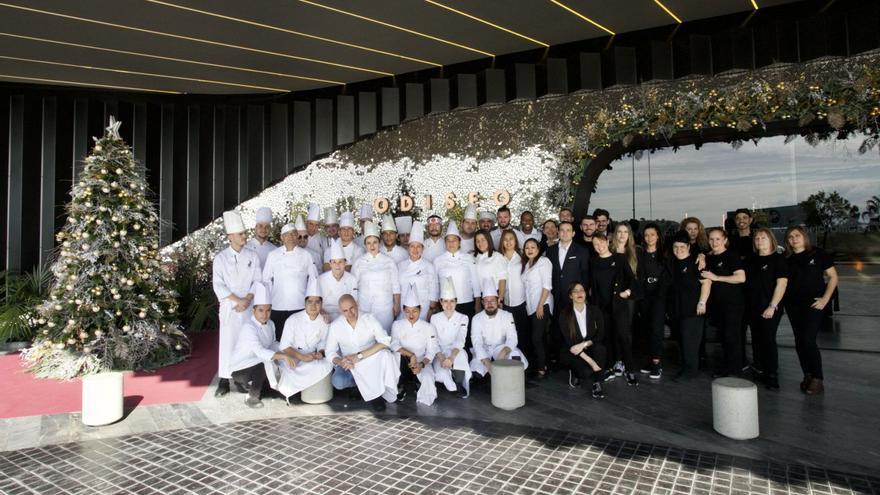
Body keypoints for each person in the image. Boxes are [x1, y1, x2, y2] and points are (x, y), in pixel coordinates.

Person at [213, 210, 263, 397]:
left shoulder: (253, 256)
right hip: (230, 306)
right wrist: (237, 300)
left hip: (248, 306)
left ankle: (242, 378)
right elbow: (218, 284)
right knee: (227, 343)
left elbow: (257, 280)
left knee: (246, 342)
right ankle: (224, 380)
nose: (244, 236)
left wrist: (247, 300)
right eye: (241, 234)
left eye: (244, 233)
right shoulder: (220, 258)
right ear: (230, 237)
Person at [784, 226, 838, 395]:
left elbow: (833, 276)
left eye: (797, 235)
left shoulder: (818, 253)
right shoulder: (787, 258)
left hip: (814, 304)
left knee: (808, 339)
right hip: (793, 305)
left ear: (804, 237)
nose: (794, 239)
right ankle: (807, 374)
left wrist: (825, 298)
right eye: (790, 237)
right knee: (799, 341)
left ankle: (818, 378)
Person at [326, 295, 401, 411]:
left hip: (370, 359)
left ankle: (377, 396)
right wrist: (341, 362)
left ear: (357, 304)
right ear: (340, 311)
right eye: (345, 310)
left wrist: (360, 355)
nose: (349, 313)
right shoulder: (336, 326)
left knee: (386, 355)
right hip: (350, 364)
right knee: (338, 381)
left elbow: (385, 341)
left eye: (352, 308)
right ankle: (358, 386)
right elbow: (329, 352)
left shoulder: (369, 318)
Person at [229, 282, 298, 408]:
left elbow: (273, 344)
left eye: (268, 310)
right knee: (263, 363)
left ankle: (263, 388)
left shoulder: (270, 324)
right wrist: (283, 356)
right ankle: (252, 396)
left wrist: (288, 350)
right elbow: (260, 351)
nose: (265, 314)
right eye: (261, 310)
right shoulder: (249, 327)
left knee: (270, 362)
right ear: (254, 310)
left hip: (255, 364)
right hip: (240, 369)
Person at [589, 232, 638, 386]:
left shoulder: (620, 258)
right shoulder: (593, 261)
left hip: (618, 305)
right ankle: (609, 367)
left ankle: (629, 369)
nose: (599, 246)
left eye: (601, 243)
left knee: (624, 337)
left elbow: (632, 279)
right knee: (606, 338)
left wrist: (627, 292)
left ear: (607, 241)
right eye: (595, 244)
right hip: (601, 307)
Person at [275, 279, 334, 402]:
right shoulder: (293, 319)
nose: (313, 305)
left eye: (317, 302)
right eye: (310, 302)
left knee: (325, 364)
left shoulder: (324, 321)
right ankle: (294, 391)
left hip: (312, 357)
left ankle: (305, 390)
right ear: (305, 303)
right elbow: (284, 346)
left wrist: (320, 353)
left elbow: (324, 342)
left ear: (321, 304)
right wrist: (302, 357)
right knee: (292, 368)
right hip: (294, 355)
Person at [745, 228, 788, 390]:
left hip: (770, 306)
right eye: (757, 238)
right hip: (752, 306)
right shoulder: (751, 259)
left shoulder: (778, 259)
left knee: (768, 339)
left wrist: (772, 305)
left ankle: (772, 374)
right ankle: (759, 368)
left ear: (771, 240)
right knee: (756, 338)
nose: (759, 241)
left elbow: (781, 284)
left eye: (763, 238)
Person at [701, 227, 747, 377]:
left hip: (732, 304)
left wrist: (717, 277)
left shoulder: (731, 256)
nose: (714, 242)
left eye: (718, 239)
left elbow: (741, 277)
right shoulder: (709, 257)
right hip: (717, 304)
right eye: (711, 239)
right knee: (723, 338)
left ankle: (735, 371)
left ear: (725, 240)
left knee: (732, 337)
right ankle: (727, 368)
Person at [262, 223, 319, 338]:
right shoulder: (273, 255)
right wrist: (267, 301)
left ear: (297, 236)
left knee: (298, 337)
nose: (291, 237)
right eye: (287, 235)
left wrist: (311, 301)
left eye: (293, 234)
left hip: (299, 304)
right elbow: (266, 279)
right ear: (282, 238)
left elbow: (314, 279)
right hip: (277, 304)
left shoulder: (306, 255)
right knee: (279, 337)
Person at [668, 231, 712, 380]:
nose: (678, 250)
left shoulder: (696, 262)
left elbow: (706, 283)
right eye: (675, 247)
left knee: (690, 342)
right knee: (681, 340)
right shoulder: (672, 262)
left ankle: (690, 371)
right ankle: (686, 367)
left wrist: (702, 302)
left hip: (693, 309)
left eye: (682, 246)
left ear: (688, 246)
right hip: (676, 309)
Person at [390, 286, 441, 405]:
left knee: (428, 379)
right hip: (402, 360)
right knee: (395, 357)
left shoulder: (428, 327)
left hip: (421, 360)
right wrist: (410, 354)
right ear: (403, 311)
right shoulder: (397, 325)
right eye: (407, 311)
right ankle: (401, 385)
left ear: (420, 309)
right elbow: (393, 344)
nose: (411, 315)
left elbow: (431, 351)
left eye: (414, 311)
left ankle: (417, 383)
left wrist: (421, 364)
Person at [557, 282, 607, 399]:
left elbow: (601, 335)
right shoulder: (564, 314)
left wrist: (585, 344)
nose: (579, 293)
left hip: (588, 347)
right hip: (571, 350)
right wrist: (592, 362)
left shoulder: (595, 310)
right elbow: (571, 344)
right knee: (586, 372)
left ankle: (597, 383)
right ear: (570, 296)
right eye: (575, 291)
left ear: (586, 293)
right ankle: (574, 373)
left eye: (582, 290)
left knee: (601, 349)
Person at [470, 280, 529, 377]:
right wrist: (489, 365)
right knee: (477, 370)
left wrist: (504, 352)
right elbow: (477, 343)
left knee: (515, 357)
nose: (489, 304)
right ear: (482, 302)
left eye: (492, 300)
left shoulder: (507, 315)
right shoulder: (476, 319)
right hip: (485, 348)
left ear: (498, 301)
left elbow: (512, 337)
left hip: (501, 347)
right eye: (486, 301)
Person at [351, 220, 401, 331]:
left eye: (375, 242)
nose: (372, 245)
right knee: (366, 334)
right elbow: (353, 286)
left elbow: (396, 285)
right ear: (365, 245)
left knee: (384, 334)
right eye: (368, 243)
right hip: (364, 306)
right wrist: (355, 305)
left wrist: (396, 304)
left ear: (379, 243)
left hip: (385, 307)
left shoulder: (389, 261)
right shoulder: (359, 262)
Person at [636, 223, 669, 380]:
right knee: (646, 329)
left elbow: (667, 278)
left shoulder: (665, 255)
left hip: (659, 298)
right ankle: (649, 361)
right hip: (644, 297)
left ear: (658, 236)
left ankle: (657, 363)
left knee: (656, 330)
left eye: (652, 234)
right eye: (646, 235)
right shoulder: (640, 254)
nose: (649, 238)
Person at [608, 222, 640, 379]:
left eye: (625, 232)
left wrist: (628, 292)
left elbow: (637, 278)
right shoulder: (609, 251)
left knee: (625, 331)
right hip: (612, 297)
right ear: (615, 234)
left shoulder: (635, 252)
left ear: (629, 235)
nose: (622, 235)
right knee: (614, 330)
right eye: (619, 231)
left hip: (628, 298)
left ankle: (628, 363)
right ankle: (618, 361)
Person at [431, 277, 472, 398]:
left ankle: (459, 383)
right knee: (440, 374)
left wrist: (451, 358)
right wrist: (442, 358)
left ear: (456, 301)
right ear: (441, 302)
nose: (449, 305)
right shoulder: (434, 318)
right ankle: (451, 381)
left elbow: (460, 339)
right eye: (445, 301)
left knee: (461, 359)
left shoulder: (463, 317)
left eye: (452, 301)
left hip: (456, 351)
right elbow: (433, 341)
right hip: (439, 352)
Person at [433, 221, 481, 321]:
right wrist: (436, 304)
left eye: (454, 240)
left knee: (466, 334)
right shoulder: (438, 261)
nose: (451, 243)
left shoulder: (468, 258)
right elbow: (435, 284)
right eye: (448, 240)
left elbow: (475, 281)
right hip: (446, 304)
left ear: (459, 242)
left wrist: (477, 303)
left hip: (466, 302)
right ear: (445, 243)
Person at [521, 238, 554, 378]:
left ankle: (542, 368)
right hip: (531, 305)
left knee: (537, 337)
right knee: (538, 338)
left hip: (542, 304)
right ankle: (545, 363)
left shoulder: (543, 262)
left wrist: (540, 305)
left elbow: (547, 285)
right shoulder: (527, 264)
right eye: (527, 247)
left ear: (538, 249)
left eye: (532, 247)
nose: (529, 250)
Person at [499, 230, 529, 363]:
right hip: (505, 302)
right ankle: (509, 361)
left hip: (521, 301)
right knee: (508, 334)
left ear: (515, 241)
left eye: (511, 238)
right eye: (505, 239)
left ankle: (525, 363)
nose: (508, 242)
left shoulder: (523, 258)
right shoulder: (499, 258)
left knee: (523, 333)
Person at [398, 221, 439, 321]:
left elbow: (434, 288)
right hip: (404, 306)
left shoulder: (429, 266)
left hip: (423, 307)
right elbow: (396, 287)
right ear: (408, 248)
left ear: (422, 249)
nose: (415, 250)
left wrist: (431, 310)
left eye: (418, 246)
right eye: (412, 246)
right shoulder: (400, 265)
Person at [318, 240, 358, 321]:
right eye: (334, 262)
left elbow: (355, 302)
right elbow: (317, 302)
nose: (337, 265)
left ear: (345, 263)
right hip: (325, 315)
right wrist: (323, 313)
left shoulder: (352, 279)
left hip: (345, 316)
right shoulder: (321, 279)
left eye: (340, 262)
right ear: (330, 264)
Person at [474, 230, 508, 304]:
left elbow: (502, 279)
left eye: (483, 240)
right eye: (477, 241)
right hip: (479, 297)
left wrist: (500, 299)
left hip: (494, 296)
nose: (480, 243)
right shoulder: (475, 257)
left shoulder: (497, 256)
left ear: (488, 240)